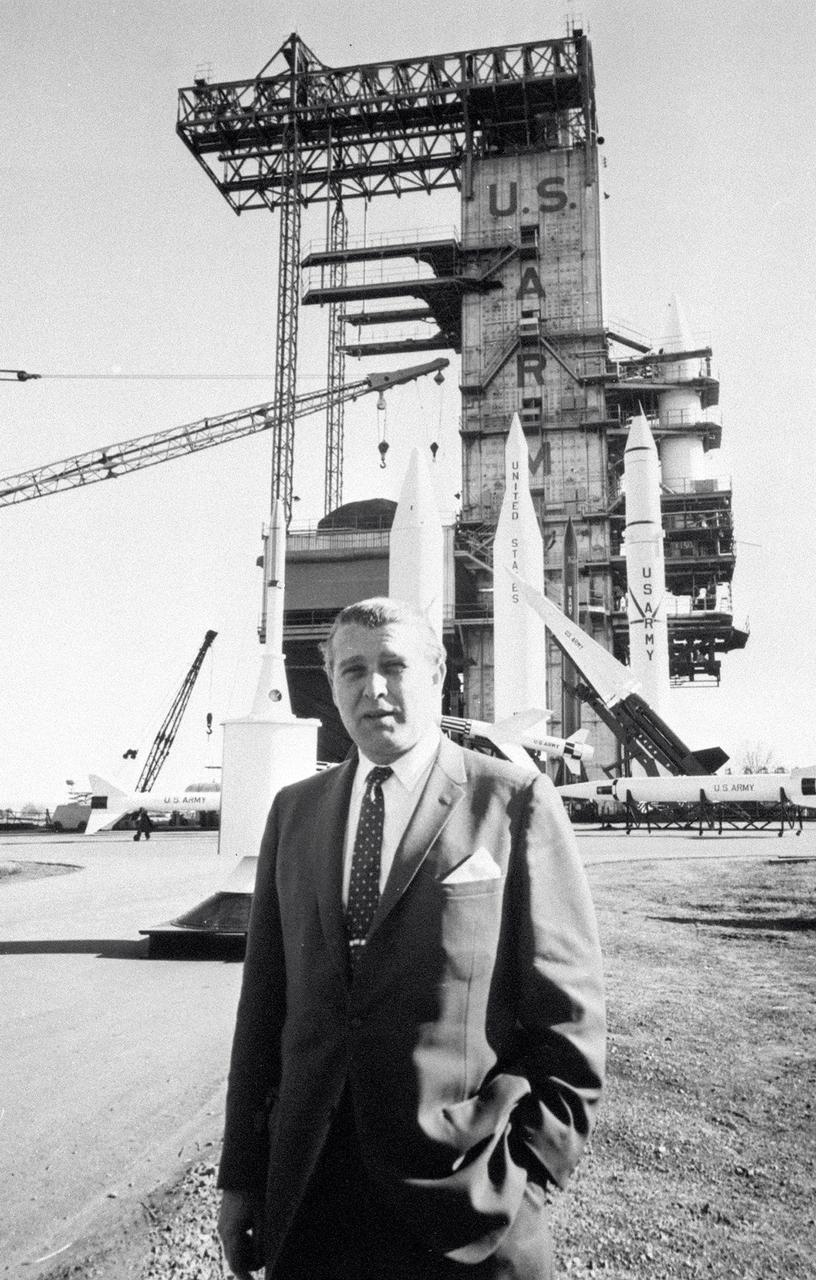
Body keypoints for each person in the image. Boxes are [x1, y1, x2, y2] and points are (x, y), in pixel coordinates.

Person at [218, 597, 605, 1280]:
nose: (374, 689)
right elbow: (265, 1011)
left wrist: (528, 1183)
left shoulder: (512, 802)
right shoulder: (294, 814)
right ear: (332, 684)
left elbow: (570, 1022)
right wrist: (243, 1178)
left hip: (465, 1203)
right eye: (353, 671)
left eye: (394, 666)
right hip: (313, 1203)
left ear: (438, 676)